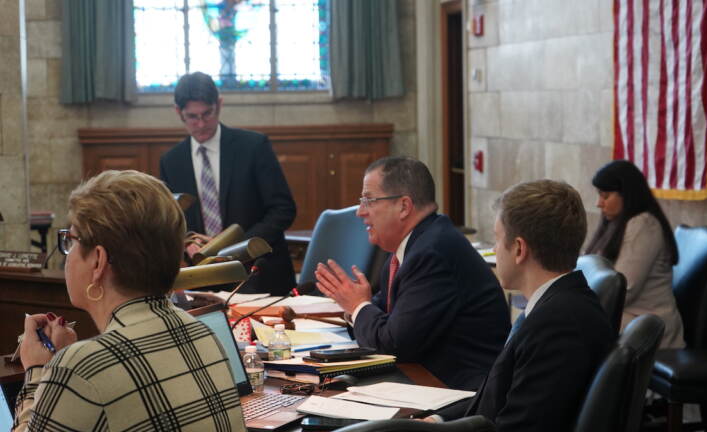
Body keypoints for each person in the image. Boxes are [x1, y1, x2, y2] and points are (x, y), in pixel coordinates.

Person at [14, 170, 246, 431]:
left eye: (71, 240)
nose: (68, 254)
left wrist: (37, 370)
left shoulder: (80, 366)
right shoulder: (202, 333)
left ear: (98, 261)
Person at [314, 156, 510, 391]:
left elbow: (393, 345)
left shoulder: (432, 253)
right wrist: (355, 306)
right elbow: (382, 318)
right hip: (423, 378)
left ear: (404, 206)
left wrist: (357, 306)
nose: (360, 212)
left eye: (369, 200)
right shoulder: (413, 245)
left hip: (457, 391)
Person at [434, 180, 616, 430]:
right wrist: (437, 420)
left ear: (519, 249)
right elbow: (495, 397)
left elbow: (520, 426)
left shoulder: (557, 325)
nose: (495, 249)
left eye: (497, 240)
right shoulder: (555, 306)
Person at [160, 71, 297, 295]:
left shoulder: (253, 147)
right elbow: (174, 222)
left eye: (208, 113)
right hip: (203, 278)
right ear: (179, 112)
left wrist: (234, 247)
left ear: (219, 105)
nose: (201, 123)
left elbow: (283, 209)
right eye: (192, 117)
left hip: (258, 272)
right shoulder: (171, 161)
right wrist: (186, 245)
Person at [584, 160, 685, 348]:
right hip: (627, 319)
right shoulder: (617, 223)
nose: (599, 203)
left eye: (605, 195)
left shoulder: (644, 225)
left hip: (647, 326)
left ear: (626, 195)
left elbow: (624, 290)